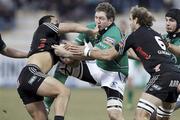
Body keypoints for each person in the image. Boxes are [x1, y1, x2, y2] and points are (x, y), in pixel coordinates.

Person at [61, 6, 180, 120]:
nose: (129, 23)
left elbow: (108, 55)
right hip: (176, 74)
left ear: (136, 19)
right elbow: (138, 55)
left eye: (130, 19)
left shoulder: (133, 36)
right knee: (162, 117)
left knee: (140, 115)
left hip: (162, 75)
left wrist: (86, 51)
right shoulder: (156, 34)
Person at [45, 2, 128, 120]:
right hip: (98, 68)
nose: (97, 21)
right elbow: (75, 45)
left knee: (114, 114)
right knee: (64, 66)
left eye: (101, 18)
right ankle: (46, 105)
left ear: (110, 21)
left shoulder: (114, 34)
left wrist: (67, 53)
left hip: (115, 74)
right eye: (96, 17)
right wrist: (67, 51)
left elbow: (94, 54)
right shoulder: (90, 28)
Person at [16, 15, 97, 120]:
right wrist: (90, 31)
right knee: (63, 92)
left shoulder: (53, 44)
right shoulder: (44, 26)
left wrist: (79, 54)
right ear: (49, 23)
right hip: (32, 73)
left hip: (25, 79)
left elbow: (72, 63)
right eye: (56, 21)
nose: (58, 23)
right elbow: (72, 27)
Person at [150, 8, 180, 120]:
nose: (167, 23)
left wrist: (168, 45)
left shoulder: (165, 42)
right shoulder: (163, 38)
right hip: (169, 83)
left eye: (171, 20)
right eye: (166, 20)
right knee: (155, 116)